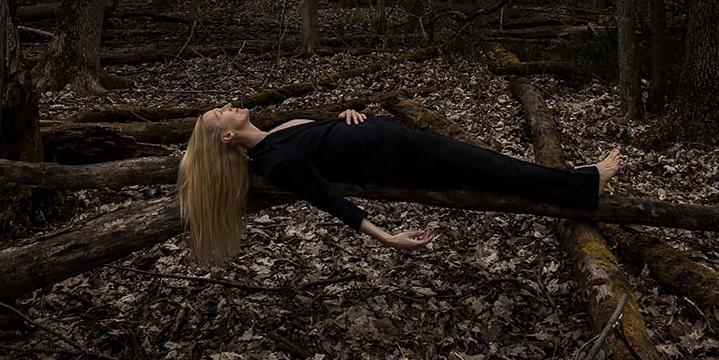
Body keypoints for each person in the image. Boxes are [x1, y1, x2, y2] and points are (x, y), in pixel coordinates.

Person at [177, 103, 622, 266]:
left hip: (396, 140)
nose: (227, 106)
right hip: (401, 161)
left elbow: (327, 134)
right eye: (219, 115)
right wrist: (389, 238)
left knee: (489, 165)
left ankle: (580, 183)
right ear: (227, 138)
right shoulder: (273, 162)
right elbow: (329, 201)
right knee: (491, 167)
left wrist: (347, 116)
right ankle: (584, 183)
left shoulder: (277, 134)